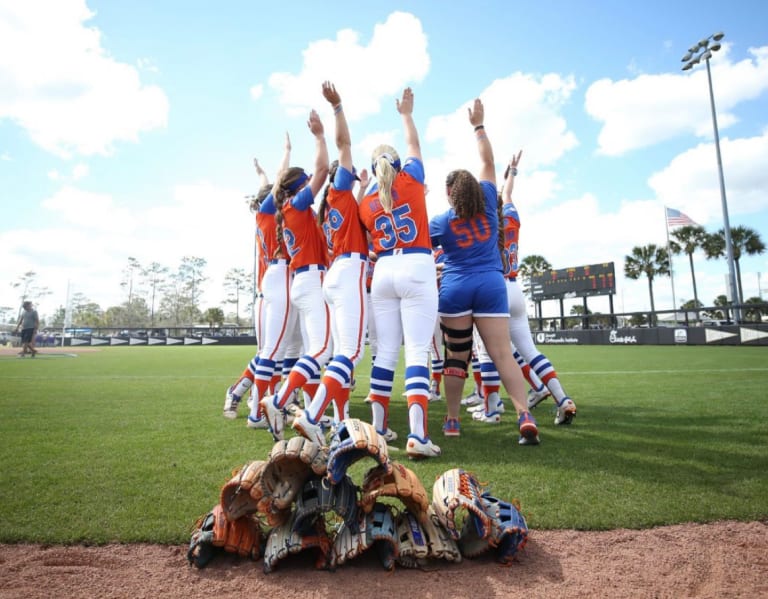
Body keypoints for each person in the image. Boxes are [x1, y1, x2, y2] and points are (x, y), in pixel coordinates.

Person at [429, 98, 539, 445]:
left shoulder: (443, 221)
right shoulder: (491, 203)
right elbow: (488, 161)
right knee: (503, 354)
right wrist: (478, 126)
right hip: (492, 284)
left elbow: (416, 242)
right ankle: (524, 415)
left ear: (450, 195)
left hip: (456, 289)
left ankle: (451, 420)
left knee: (456, 358)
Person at [358, 87, 440, 460]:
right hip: (417, 263)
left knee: (386, 353)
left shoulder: (366, 203)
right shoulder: (412, 181)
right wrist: (406, 115)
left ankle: (377, 429)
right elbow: (415, 146)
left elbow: (368, 213)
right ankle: (418, 434)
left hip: (384, 269)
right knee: (418, 350)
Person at [471, 152, 576, 426]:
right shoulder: (510, 217)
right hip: (516, 288)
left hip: (494, 290)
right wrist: (511, 174)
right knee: (530, 351)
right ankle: (563, 399)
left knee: (485, 351)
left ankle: (491, 410)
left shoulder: (483, 224)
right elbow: (507, 195)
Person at [291, 81, 370, 446]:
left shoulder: (333, 205)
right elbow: (345, 146)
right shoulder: (339, 188)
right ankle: (311, 416)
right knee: (350, 353)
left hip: (334, 275)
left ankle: (337, 421)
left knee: (341, 353)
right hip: (349, 271)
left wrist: (359, 187)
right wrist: (337, 108)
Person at [261, 108, 331, 440]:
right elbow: (321, 170)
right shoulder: (297, 206)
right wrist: (319, 136)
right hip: (312, 281)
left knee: (311, 351)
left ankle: (311, 410)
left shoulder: (286, 210)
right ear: (298, 189)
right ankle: (278, 399)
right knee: (322, 351)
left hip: (302, 280)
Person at [223, 136, 295, 424]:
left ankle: (261, 398)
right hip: (273, 290)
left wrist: (259, 172)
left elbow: (270, 183)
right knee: (271, 352)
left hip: (269, 291)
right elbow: (277, 183)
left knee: (273, 352)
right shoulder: (270, 216)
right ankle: (241, 393)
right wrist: (287, 153)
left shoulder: (266, 217)